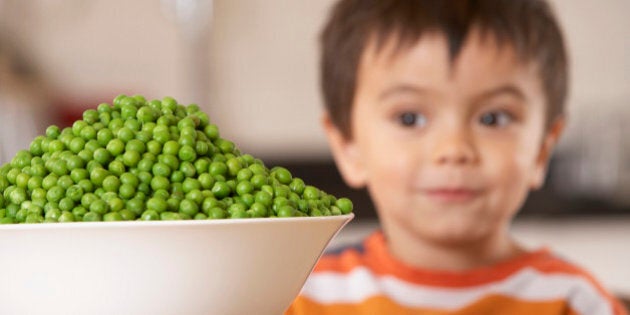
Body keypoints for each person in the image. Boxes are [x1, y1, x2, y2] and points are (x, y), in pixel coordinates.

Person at [286, 0, 629, 314]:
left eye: (493, 118)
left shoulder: (575, 302)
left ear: (542, 149)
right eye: (410, 118)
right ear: (348, 147)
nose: (454, 150)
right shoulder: (297, 295)